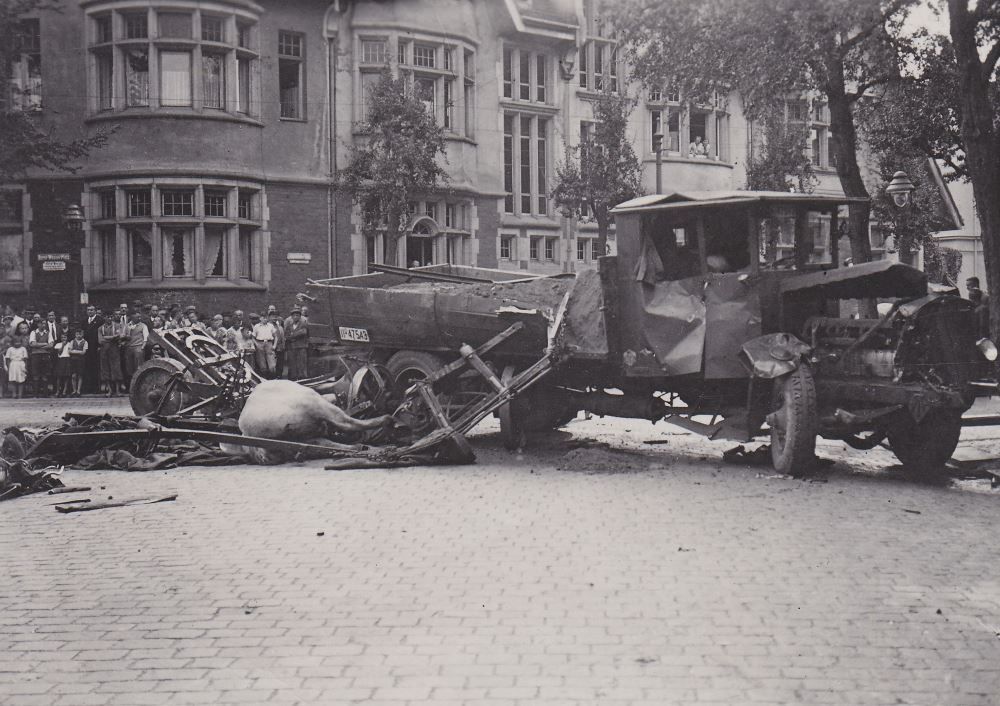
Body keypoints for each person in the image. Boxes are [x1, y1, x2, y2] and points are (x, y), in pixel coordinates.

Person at [98, 315, 125, 397]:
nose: (109, 318)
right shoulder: (100, 328)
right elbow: (100, 340)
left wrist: (106, 337)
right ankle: (109, 390)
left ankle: (117, 391)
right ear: (104, 318)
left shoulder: (117, 326)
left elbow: (119, 337)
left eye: (111, 317)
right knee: (105, 369)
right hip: (104, 351)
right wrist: (112, 337)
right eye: (107, 317)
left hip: (114, 350)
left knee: (116, 369)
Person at [27, 319, 53, 396]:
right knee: (36, 374)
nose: (43, 325)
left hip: (45, 355)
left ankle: (45, 394)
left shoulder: (48, 332)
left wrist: (38, 345)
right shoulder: (33, 332)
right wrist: (45, 344)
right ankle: (36, 394)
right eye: (42, 324)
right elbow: (32, 344)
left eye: (44, 324)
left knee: (45, 374)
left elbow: (51, 345)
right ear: (38, 324)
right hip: (35, 355)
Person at [284, 307, 310, 380]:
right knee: (292, 364)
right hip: (292, 348)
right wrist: (297, 334)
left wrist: (292, 335)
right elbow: (286, 336)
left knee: (302, 364)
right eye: (294, 315)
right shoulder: (289, 325)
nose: (295, 317)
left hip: (301, 347)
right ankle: (293, 379)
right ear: (291, 317)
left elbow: (304, 332)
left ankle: (303, 379)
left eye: (297, 315)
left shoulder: (303, 324)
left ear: (300, 317)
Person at [82, 304, 103, 394]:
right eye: (88, 310)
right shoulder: (84, 321)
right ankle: (87, 388)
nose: (90, 311)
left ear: (95, 311)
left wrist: (100, 346)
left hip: (95, 347)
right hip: (86, 347)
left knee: (95, 368)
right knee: (87, 367)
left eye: (92, 310)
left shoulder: (100, 320)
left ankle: (96, 388)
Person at [123, 311, 149, 383]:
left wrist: (142, 348)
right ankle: (131, 384)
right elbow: (123, 337)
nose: (139, 318)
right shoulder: (127, 326)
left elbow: (146, 339)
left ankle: (139, 383)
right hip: (129, 348)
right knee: (129, 367)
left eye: (140, 317)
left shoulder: (143, 326)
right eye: (137, 317)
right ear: (132, 317)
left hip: (138, 347)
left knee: (139, 367)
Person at [251, 312, 276, 378]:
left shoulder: (270, 325)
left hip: (269, 343)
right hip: (260, 343)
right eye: (263, 317)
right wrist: (257, 345)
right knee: (262, 365)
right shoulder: (256, 326)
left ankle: (272, 378)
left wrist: (274, 345)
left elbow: (276, 337)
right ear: (260, 318)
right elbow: (253, 338)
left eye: (266, 317)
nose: (265, 319)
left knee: (272, 365)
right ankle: (264, 378)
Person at [68, 328, 88, 397]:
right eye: (77, 334)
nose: (78, 336)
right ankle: (74, 390)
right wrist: (78, 352)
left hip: (81, 360)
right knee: (73, 376)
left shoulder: (85, 342)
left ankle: (78, 390)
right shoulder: (72, 341)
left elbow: (83, 352)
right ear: (75, 335)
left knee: (80, 375)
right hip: (73, 360)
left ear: (82, 334)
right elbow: (69, 351)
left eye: (80, 334)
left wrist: (74, 351)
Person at [53, 331, 72, 397]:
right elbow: (59, 353)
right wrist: (63, 345)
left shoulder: (70, 344)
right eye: (62, 337)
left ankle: (64, 391)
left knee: (66, 376)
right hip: (61, 360)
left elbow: (70, 352)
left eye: (65, 337)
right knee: (59, 376)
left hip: (67, 359)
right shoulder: (58, 344)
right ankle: (58, 391)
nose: (63, 339)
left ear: (67, 338)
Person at [270, 310, 286, 378]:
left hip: (280, 348)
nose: (274, 318)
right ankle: (272, 377)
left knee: (280, 363)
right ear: (269, 317)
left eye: (276, 317)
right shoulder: (268, 326)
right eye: (273, 316)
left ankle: (279, 376)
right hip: (271, 347)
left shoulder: (280, 327)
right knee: (272, 364)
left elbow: (282, 337)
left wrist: (283, 346)